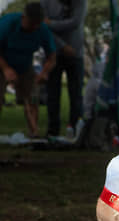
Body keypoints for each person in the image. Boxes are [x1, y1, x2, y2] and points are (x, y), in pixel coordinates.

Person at [0, 2, 56, 139]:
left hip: (24, 64)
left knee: (32, 97)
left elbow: (52, 56)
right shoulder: (8, 23)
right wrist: (5, 69)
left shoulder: (42, 29)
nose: (34, 27)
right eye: (31, 23)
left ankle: (34, 131)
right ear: (24, 17)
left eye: (37, 24)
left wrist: (44, 72)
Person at [41, 0, 87, 138]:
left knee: (76, 94)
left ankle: (76, 129)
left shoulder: (80, 2)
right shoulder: (45, 2)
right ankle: (52, 130)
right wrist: (62, 46)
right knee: (52, 94)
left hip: (76, 52)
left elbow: (75, 22)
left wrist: (52, 24)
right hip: (53, 52)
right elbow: (43, 27)